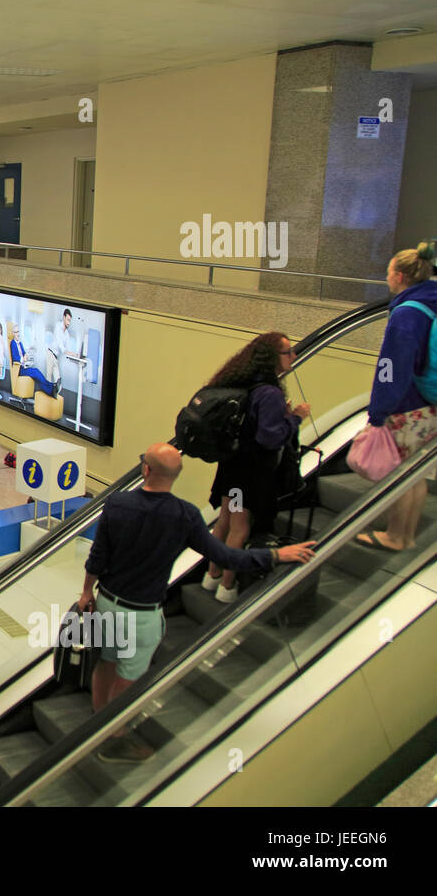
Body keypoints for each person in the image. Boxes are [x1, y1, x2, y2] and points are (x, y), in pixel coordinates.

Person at [77, 444, 315, 762]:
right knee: (128, 678)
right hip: (142, 616)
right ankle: (114, 740)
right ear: (174, 476)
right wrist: (275, 554)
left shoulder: (117, 503)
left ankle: (98, 720)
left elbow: (98, 556)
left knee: (105, 661)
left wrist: (86, 592)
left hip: (107, 602)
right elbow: (225, 555)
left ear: (146, 470)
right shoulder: (185, 515)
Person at [199, 332, 310, 603]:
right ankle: (227, 585)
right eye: (288, 352)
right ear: (273, 357)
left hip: (231, 467)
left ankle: (211, 576)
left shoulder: (244, 383)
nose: (293, 356)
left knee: (225, 521)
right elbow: (269, 437)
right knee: (240, 527)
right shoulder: (269, 393)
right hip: (249, 473)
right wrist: (295, 418)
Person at [357, 242, 437, 552]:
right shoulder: (431, 303)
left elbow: (391, 367)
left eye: (388, 272)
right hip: (429, 403)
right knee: (416, 473)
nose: (387, 278)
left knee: (400, 475)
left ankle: (396, 535)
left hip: (407, 406)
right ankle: (407, 534)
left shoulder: (406, 314)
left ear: (400, 276)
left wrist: (379, 411)